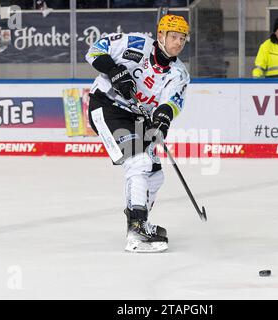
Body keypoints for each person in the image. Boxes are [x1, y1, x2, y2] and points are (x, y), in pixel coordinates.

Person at [85, 14, 190, 253]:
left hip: (138, 118)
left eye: (182, 38)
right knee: (139, 161)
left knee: (155, 175)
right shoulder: (135, 44)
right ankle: (137, 228)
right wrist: (115, 71)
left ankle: (138, 219)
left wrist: (161, 122)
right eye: (173, 36)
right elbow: (94, 51)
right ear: (161, 35)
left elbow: (170, 104)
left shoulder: (179, 74)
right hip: (106, 106)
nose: (178, 43)